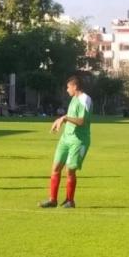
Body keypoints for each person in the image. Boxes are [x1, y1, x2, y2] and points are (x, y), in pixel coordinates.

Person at [39, 76, 92, 209]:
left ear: (75, 87)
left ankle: (70, 201)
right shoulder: (73, 99)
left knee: (70, 171)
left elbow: (82, 121)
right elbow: (69, 118)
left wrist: (65, 118)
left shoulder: (85, 99)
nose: (67, 90)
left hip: (79, 141)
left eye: (68, 87)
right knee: (55, 168)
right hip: (65, 139)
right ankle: (52, 200)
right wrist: (60, 120)